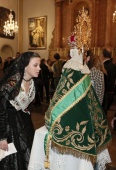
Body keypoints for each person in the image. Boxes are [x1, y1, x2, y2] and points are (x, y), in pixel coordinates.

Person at [44, 8, 111, 170]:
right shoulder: (74, 68)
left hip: (86, 116)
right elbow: (64, 91)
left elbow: (94, 96)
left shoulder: (83, 70)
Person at [102, 48, 116, 114]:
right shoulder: (114, 66)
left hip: (104, 93)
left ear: (103, 55)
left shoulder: (103, 66)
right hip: (111, 92)